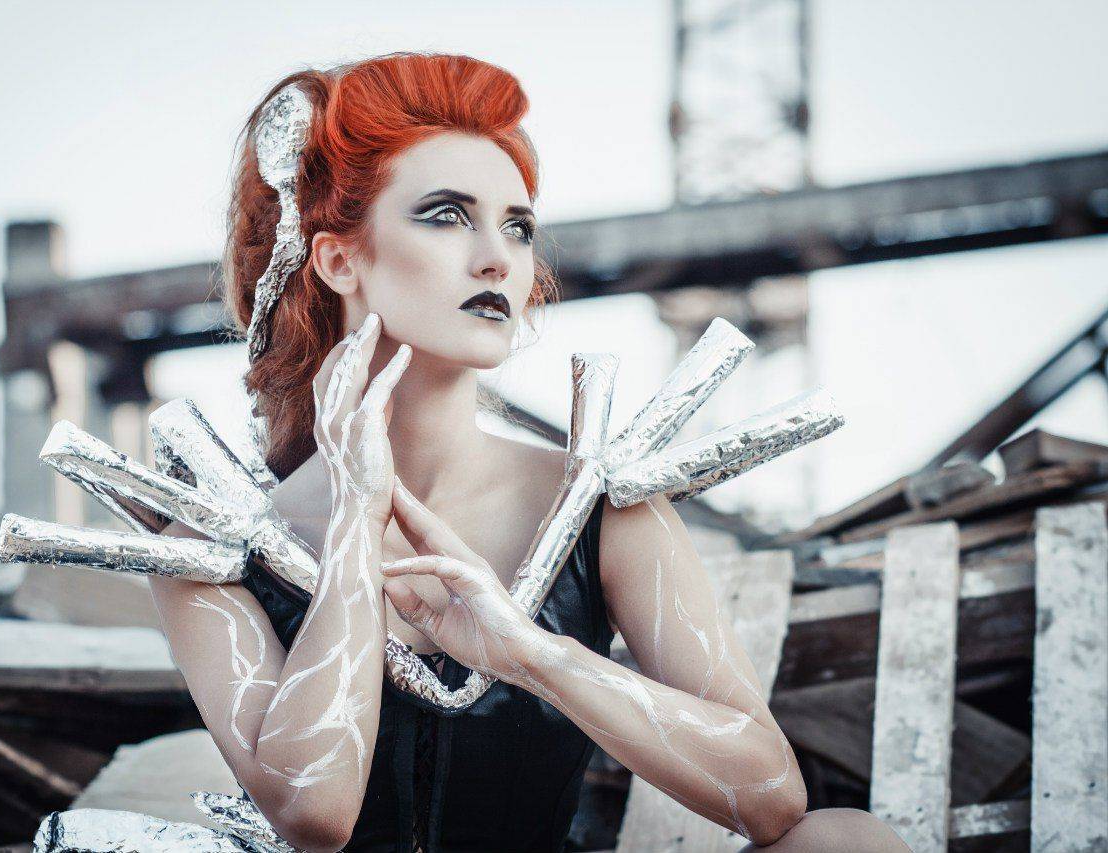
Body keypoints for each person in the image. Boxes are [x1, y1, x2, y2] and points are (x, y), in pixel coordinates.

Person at [148, 52, 908, 853]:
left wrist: (534, 654)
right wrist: (354, 525)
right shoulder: (210, 551)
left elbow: (772, 796)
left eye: (517, 226)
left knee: (845, 843)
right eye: (446, 215)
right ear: (339, 259)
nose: (498, 258)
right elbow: (314, 812)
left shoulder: (600, 507)